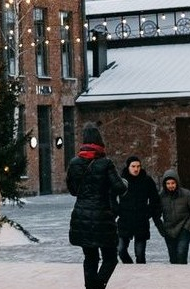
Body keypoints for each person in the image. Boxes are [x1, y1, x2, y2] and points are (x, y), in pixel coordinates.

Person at [67, 123, 127, 289]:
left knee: (90, 257)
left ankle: (91, 286)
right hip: (102, 215)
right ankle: (98, 285)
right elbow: (119, 188)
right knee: (110, 257)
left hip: (82, 216)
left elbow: (72, 190)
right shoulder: (105, 163)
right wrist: (124, 182)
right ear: (100, 142)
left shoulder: (74, 163)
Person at [116, 156, 161, 264]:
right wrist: (118, 210)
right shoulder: (122, 180)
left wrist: (148, 213)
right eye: (133, 166)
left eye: (138, 166)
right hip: (125, 220)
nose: (136, 169)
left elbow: (155, 199)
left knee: (140, 254)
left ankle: (141, 275)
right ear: (128, 167)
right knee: (121, 250)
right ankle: (130, 267)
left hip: (141, 221)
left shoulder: (147, 180)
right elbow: (112, 197)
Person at [155, 169, 190, 265]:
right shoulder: (161, 197)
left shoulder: (186, 195)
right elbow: (156, 215)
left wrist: (187, 227)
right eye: (168, 183)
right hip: (168, 231)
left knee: (181, 254)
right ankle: (175, 278)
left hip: (183, 229)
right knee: (173, 258)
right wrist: (161, 229)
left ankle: (183, 277)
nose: (171, 186)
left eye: (173, 183)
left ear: (177, 182)